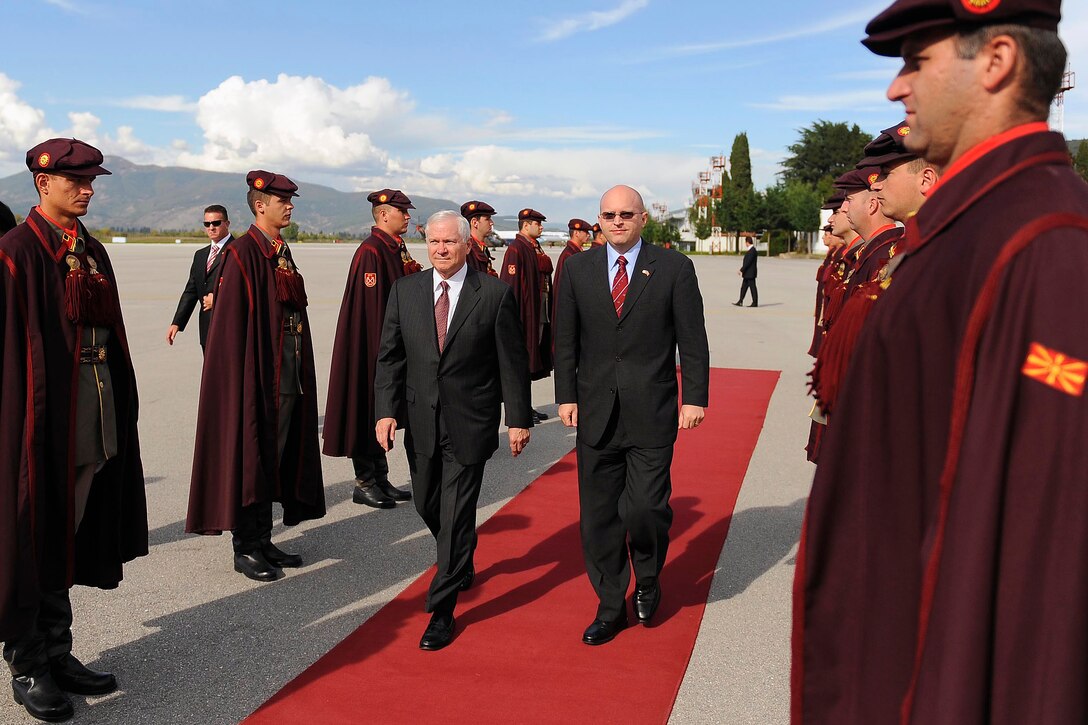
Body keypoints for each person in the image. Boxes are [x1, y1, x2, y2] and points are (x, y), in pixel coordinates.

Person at [793, 1, 1088, 722]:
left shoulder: (1044, 239)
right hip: (897, 655)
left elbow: (1049, 552)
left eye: (916, 62)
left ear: (997, 62)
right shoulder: (969, 228)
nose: (896, 88)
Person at [0, 138, 148, 722]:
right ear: (43, 183)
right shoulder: (17, 250)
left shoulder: (89, 250)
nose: (87, 189)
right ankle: (28, 661)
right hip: (39, 420)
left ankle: (58, 650)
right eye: (76, 181)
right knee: (32, 533)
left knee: (66, 530)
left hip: (92, 413)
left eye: (92, 181)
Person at [554, 185, 710, 645]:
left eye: (626, 214)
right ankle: (609, 606)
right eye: (609, 215)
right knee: (599, 517)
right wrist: (565, 394)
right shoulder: (577, 269)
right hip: (596, 410)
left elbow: (692, 338)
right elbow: (565, 339)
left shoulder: (674, 268)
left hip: (652, 410)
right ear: (599, 221)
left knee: (645, 508)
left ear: (643, 218)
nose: (617, 221)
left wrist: (694, 397)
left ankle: (648, 577)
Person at [374, 210, 532, 650]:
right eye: (434, 242)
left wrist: (518, 419)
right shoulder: (406, 291)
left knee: (457, 514)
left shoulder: (494, 294)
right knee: (428, 504)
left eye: (449, 242)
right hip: (421, 420)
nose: (441, 249)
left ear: (466, 245)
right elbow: (389, 357)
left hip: (470, 422)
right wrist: (385, 411)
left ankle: (442, 611)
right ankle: (461, 550)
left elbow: (512, 363)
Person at [186, 170, 325, 583]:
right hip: (260, 379)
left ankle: (263, 539)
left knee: (273, 458)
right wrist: (241, 385)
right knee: (253, 459)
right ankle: (245, 546)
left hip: (286, 374)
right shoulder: (243, 253)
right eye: (283, 201)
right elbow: (230, 328)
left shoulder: (278, 249)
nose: (290, 206)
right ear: (260, 205)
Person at [323, 189, 422, 509]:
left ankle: (380, 477)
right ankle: (365, 482)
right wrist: (386, 351)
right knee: (366, 412)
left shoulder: (394, 247)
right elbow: (373, 311)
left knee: (382, 411)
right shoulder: (371, 251)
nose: (407, 216)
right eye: (402, 211)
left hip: (388, 348)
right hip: (372, 349)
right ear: (383, 214)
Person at [499, 207, 554, 423]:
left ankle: (527, 406)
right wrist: (514, 319)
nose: (540, 227)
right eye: (537, 223)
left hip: (537, 312)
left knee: (530, 362)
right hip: (524, 316)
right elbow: (511, 287)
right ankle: (521, 409)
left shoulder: (532, 247)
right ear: (525, 225)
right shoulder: (516, 249)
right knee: (521, 364)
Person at [166, 204, 233, 351]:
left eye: (216, 223)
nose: (211, 227)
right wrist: (177, 322)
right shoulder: (200, 255)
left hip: (231, 329)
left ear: (227, 224)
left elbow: (245, 287)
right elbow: (191, 291)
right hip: (207, 330)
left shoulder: (238, 251)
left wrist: (219, 299)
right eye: (207, 224)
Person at [551, 218, 590, 327]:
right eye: (585, 232)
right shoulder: (570, 254)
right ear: (576, 233)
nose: (588, 235)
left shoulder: (575, 252)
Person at [460, 200, 498, 276]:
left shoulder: (481, 247)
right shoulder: (466, 250)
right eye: (487, 219)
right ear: (475, 223)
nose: (492, 223)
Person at [733, 236, 759, 307]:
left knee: (753, 288)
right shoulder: (750, 250)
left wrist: (741, 270)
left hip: (750, 273)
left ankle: (755, 302)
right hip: (747, 273)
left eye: (745, 242)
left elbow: (748, 262)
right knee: (743, 288)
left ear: (747, 242)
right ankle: (740, 301)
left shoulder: (752, 251)